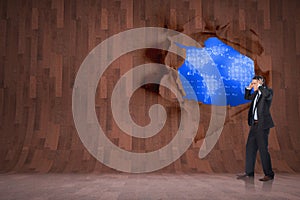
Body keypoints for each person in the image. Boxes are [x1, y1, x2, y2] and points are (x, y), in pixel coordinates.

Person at [237, 75, 275, 181]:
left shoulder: (268, 92)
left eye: (254, 83)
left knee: (263, 150)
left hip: (263, 126)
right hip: (254, 125)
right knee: (250, 148)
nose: (252, 85)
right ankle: (249, 173)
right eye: (252, 83)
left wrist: (260, 86)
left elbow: (267, 95)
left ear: (260, 83)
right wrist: (248, 88)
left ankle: (269, 174)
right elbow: (247, 97)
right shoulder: (255, 94)